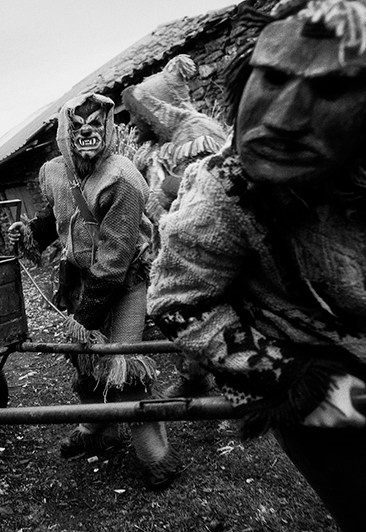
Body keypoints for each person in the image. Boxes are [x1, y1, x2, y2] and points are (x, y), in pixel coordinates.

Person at [148, 1, 366, 529]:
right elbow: (179, 300)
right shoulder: (227, 191)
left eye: (332, 90)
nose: (284, 118)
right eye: (269, 78)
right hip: (336, 399)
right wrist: (294, 382)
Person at [8, 92, 180, 490]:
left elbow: (115, 260)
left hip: (124, 281)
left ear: (107, 127)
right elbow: (56, 217)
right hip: (79, 278)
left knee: (123, 367)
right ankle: (96, 430)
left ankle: (156, 458)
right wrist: (31, 232)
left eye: (95, 123)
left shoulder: (123, 179)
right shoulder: (53, 171)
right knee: (85, 364)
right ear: (65, 132)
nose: (87, 131)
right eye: (78, 125)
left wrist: (83, 318)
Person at [121, 55, 227, 398]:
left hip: (206, 244)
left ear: (159, 108)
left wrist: (166, 192)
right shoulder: (159, 144)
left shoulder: (198, 133)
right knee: (183, 311)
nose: (135, 122)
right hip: (175, 243)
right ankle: (196, 377)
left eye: (139, 115)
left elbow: (208, 189)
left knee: (201, 308)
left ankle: (219, 380)